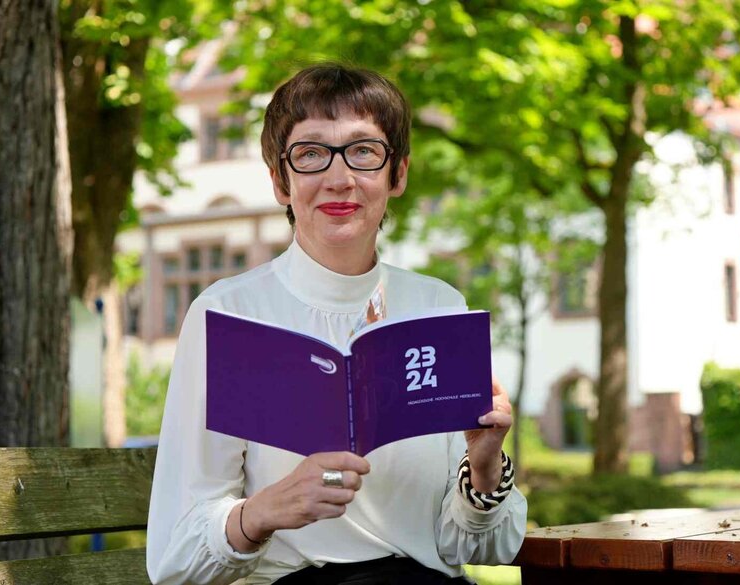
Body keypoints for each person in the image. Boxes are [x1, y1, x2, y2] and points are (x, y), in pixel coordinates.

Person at [146, 64, 527, 585]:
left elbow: (476, 549)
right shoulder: (227, 316)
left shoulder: (438, 306)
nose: (339, 178)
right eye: (310, 154)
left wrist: (484, 467)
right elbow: (174, 559)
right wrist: (259, 513)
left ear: (398, 174)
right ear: (280, 181)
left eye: (364, 151)